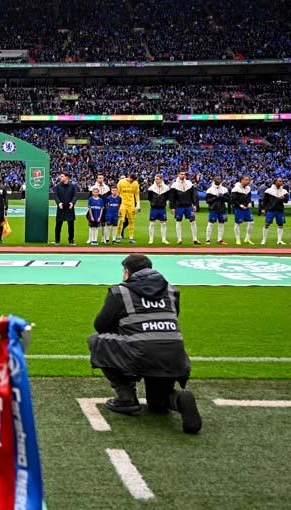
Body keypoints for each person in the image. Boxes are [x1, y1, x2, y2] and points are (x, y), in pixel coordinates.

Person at [87, 254, 202, 435]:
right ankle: (179, 399)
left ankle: (126, 397)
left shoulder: (120, 292)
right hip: (174, 356)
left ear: (127, 273)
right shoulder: (171, 291)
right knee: (158, 404)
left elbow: (100, 325)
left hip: (139, 354)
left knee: (96, 340)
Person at [169, 171, 200, 245]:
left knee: (193, 221)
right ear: (178, 174)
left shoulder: (189, 183)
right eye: (181, 174)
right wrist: (172, 207)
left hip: (189, 206)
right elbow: (171, 197)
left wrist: (195, 204)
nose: (183, 175)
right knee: (178, 221)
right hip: (179, 206)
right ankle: (179, 239)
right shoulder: (174, 185)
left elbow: (193, 195)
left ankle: (195, 239)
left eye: (184, 174)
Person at [259, 178, 288, 246]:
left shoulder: (284, 191)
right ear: (275, 182)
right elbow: (265, 200)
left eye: (282, 181)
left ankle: (279, 240)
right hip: (271, 210)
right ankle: (264, 240)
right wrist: (263, 209)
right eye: (280, 181)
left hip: (280, 210)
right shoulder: (269, 191)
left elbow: (286, 201)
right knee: (267, 224)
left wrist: (284, 198)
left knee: (280, 225)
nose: (281, 182)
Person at [146, 174, 171, 245]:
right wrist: (154, 203)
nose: (156, 180)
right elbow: (149, 198)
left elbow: (167, 197)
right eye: (155, 179)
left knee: (163, 223)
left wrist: (162, 202)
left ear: (161, 179)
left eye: (157, 179)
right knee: (152, 223)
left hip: (162, 208)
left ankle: (164, 239)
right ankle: (151, 239)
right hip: (154, 208)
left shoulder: (166, 188)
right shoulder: (151, 188)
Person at [204, 176, 230, 244]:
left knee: (221, 224)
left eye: (220, 179)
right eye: (217, 179)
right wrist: (216, 197)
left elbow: (228, 199)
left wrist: (222, 197)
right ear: (214, 180)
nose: (219, 180)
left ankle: (220, 239)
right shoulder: (210, 190)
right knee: (210, 224)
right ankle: (207, 239)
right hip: (213, 209)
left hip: (222, 209)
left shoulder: (224, 189)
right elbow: (207, 201)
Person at [116, 174, 141, 244]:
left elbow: (136, 194)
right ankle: (118, 236)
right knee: (121, 220)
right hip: (123, 204)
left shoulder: (135, 183)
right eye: (131, 180)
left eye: (133, 181)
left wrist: (138, 204)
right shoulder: (121, 182)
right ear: (129, 177)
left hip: (131, 204)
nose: (132, 182)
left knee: (131, 221)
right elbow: (118, 193)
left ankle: (131, 237)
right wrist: (117, 205)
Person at [53, 172, 76, 246]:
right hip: (61, 207)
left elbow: (75, 196)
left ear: (67, 177)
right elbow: (56, 196)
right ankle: (57, 240)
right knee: (58, 225)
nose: (60, 177)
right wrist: (59, 203)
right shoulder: (57, 186)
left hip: (70, 207)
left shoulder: (72, 186)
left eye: (62, 176)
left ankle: (71, 240)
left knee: (71, 226)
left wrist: (72, 203)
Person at [231, 175, 255, 245]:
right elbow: (233, 200)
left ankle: (247, 238)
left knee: (251, 222)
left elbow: (249, 197)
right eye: (246, 180)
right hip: (238, 208)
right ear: (241, 180)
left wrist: (250, 203)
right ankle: (238, 239)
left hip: (247, 208)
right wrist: (240, 205)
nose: (248, 181)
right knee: (238, 223)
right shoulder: (235, 189)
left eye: (248, 180)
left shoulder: (248, 188)